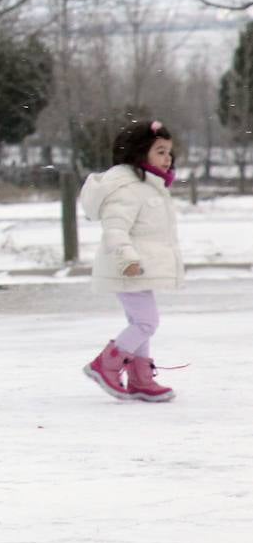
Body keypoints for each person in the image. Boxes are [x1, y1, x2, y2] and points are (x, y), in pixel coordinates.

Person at [79, 120, 183, 402]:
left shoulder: (147, 186)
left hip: (139, 269)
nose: (167, 158)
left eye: (169, 152)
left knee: (140, 321)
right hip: (128, 268)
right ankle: (106, 364)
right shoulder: (127, 188)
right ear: (140, 153)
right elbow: (115, 229)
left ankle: (140, 379)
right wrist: (127, 259)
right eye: (160, 151)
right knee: (147, 322)